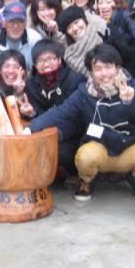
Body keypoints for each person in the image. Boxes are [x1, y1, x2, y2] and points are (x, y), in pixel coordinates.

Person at [29, 44, 135, 202]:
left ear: (117, 67)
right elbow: (61, 112)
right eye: (98, 69)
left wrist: (132, 101)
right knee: (85, 156)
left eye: (108, 67)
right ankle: (87, 180)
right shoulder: (84, 92)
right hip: (99, 147)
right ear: (91, 72)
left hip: (128, 146)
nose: (104, 74)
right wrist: (31, 128)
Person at [26, 40, 84, 175]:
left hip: (71, 133)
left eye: (51, 59)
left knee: (59, 151)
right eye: (41, 61)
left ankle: (73, 173)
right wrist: (31, 112)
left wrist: (56, 133)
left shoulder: (75, 79)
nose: (46, 64)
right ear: (35, 64)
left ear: (59, 59)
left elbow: (79, 116)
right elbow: (38, 112)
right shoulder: (31, 85)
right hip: (45, 131)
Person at [0, 0, 43, 72]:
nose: (15, 26)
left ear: (25, 23)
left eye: (20, 21)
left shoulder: (35, 39)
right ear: (4, 23)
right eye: (11, 21)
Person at [57, 5, 107, 78]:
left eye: (76, 22)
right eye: (69, 27)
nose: (75, 28)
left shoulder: (103, 30)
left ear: (84, 19)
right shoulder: (69, 55)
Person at [0, 50, 36, 120]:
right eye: (7, 66)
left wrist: (20, 93)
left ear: (23, 71)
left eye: (16, 67)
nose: (11, 71)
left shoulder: (32, 89)